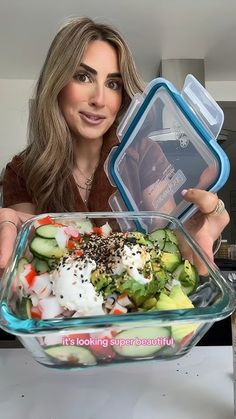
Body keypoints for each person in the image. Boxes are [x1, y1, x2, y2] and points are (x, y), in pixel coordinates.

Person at [0, 17, 229, 273]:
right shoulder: (22, 170)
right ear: (58, 83)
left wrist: (191, 234)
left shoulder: (142, 154)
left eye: (112, 84)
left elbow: (163, 242)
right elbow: (27, 267)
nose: (99, 99)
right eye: (83, 76)